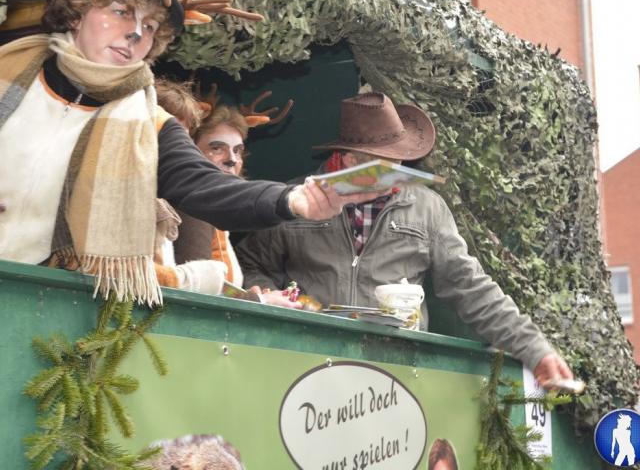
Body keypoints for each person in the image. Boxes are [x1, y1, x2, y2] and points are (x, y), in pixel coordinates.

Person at [0, 0, 376, 305]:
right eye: (121, 11)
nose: (136, 32)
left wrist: (291, 199)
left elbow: (204, 185)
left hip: (49, 302)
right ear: (75, 13)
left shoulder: (151, 125)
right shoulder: (8, 75)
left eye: (150, 25)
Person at [236, 92, 574, 388]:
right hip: (304, 366)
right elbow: (248, 264)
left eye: (400, 161)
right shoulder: (296, 199)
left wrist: (535, 349)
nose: (398, 175)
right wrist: (270, 297)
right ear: (349, 160)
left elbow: (470, 286)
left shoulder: (428, 208)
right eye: (385, 166)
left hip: (396, 377)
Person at [155, 79, 300, 307]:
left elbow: (210, 285)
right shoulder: (190, 205)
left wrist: (251, 297)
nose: (231, 159)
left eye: (237, 150)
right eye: (216, 148)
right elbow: (195, 293)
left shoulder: (214, 211)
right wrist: (259, 300)